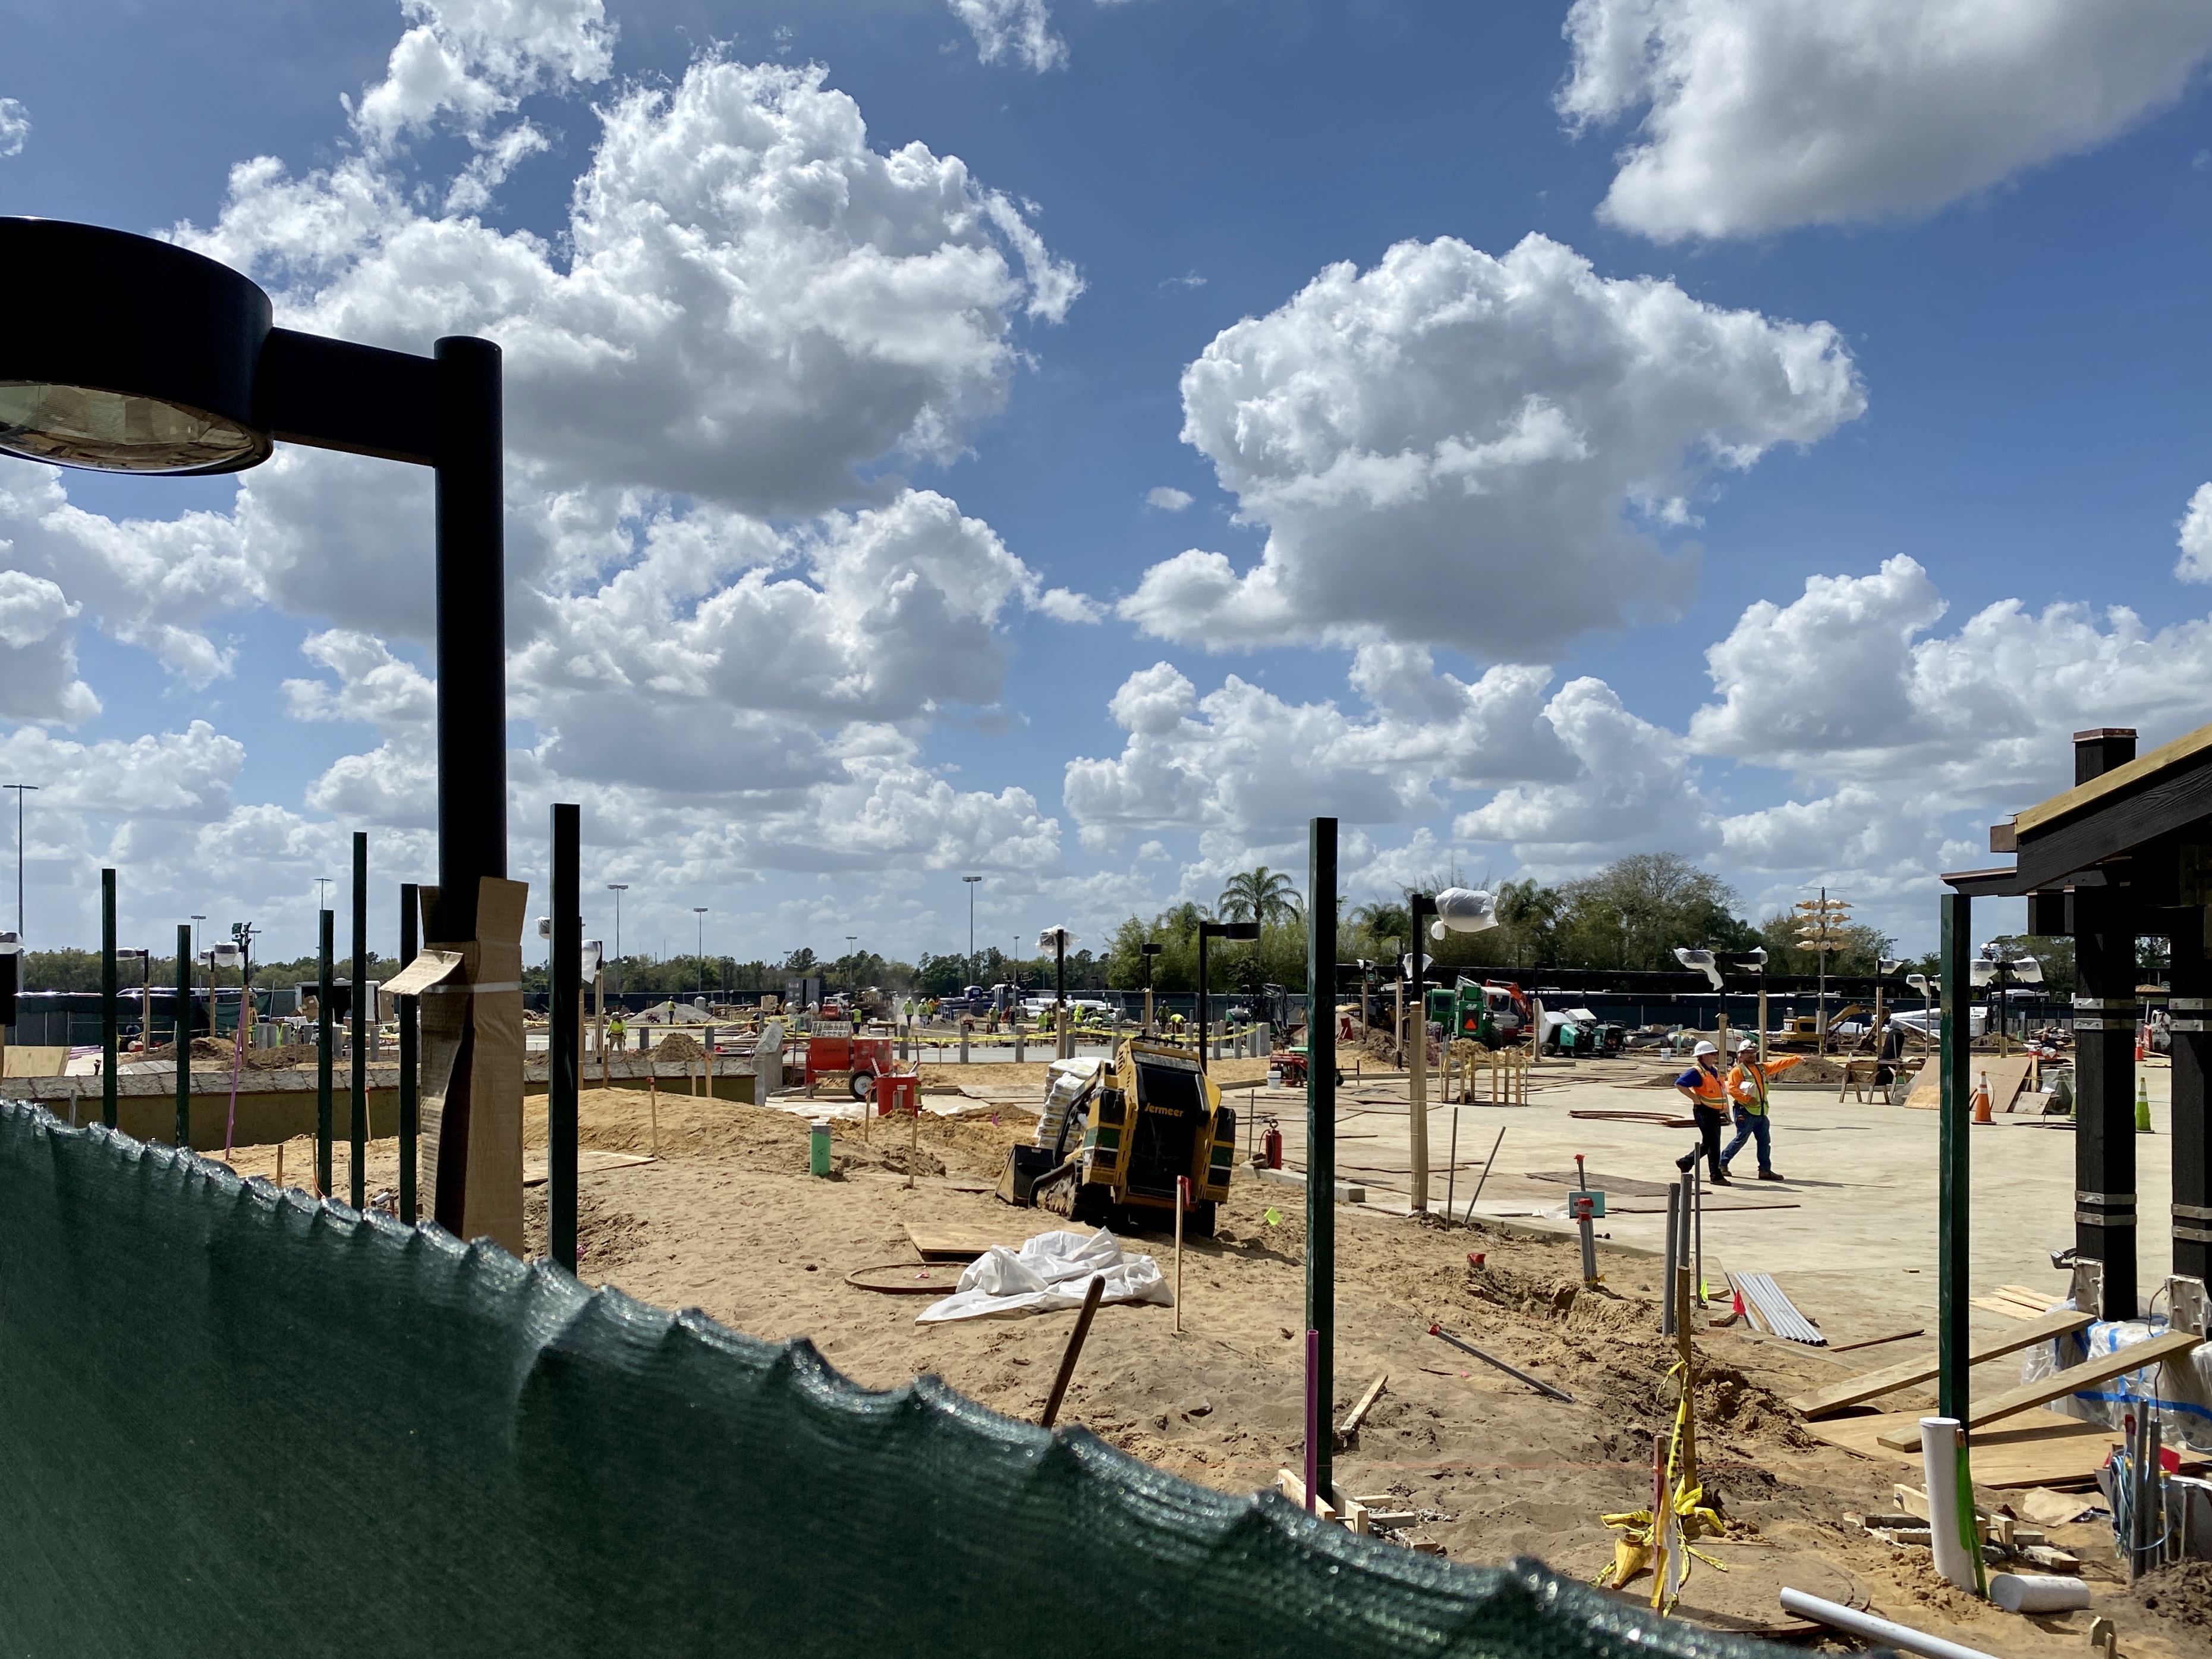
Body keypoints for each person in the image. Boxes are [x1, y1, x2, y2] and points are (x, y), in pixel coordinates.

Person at [1722, 1038, 1799, 1181]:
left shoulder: (1761, 1068)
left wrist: (1796, 1059)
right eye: (1748, 1053)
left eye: (1753, 1053)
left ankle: (1765, 1170)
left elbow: (1777, 1065)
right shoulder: (1737, 1071)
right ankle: (1722, 1164)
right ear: (1740, 1055)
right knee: (1741, 1140)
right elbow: (1732, 1088)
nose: (1752, 1056)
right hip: (1745, 1111)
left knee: (1765, 1142)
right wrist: (1747, 1098)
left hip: (1761, 1112)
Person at [1673, 1039, 1730, 1184]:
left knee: (1709, 1143)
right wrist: (1694, 1098)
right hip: (1704, 1111)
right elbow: (1680, 1084)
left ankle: (1686, 1162)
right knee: (1713, 1144)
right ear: (1703, 1056)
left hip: (1714, 1111)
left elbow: (1721, 1091)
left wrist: (1725, 1110)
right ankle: (1715, 1176)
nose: (1715, 1057)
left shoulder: (1713, 1071)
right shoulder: (1697, 1071)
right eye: (1712, 1054)